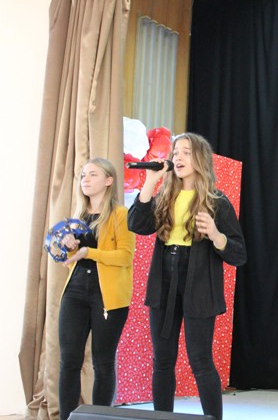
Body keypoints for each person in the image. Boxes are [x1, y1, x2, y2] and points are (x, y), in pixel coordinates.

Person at [127, 132, 246, 420]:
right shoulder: (164, 196)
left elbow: (239, 254)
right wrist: (150, 182)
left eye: (186, 152)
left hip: (200, 284)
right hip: (164, 281)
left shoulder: (217, 202)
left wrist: (216, 235)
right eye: (175, 152)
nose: (178, 157)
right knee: (162, 359)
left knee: (200, 360)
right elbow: (136, 224)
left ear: (200, 159)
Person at [58, 157, 136, 420]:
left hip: (107, 296)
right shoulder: (78, 216)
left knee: (102, 362)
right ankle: (67, 417)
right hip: (75, 291)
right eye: (83, 175)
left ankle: (100, 417)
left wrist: (88, 252)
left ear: (108, 180)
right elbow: (71, 260)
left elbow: (125, 256)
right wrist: (69, 248)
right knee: (69, 361)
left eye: (93, 174)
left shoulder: (121, 214)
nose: (86, 180)